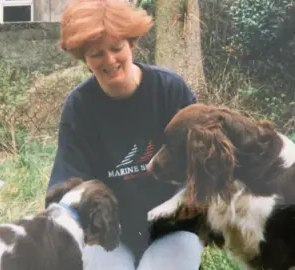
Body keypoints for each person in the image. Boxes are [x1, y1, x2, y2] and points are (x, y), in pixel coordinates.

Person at [46, 0, 204, 269]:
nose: (109, 60)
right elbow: (67, 188)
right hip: (108, 232)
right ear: (83, 57)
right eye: (96, 54)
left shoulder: (170, 91)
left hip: (172, 226)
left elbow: (203, 170)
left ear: (132, 43)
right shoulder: (80, 107)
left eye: (116, 48)